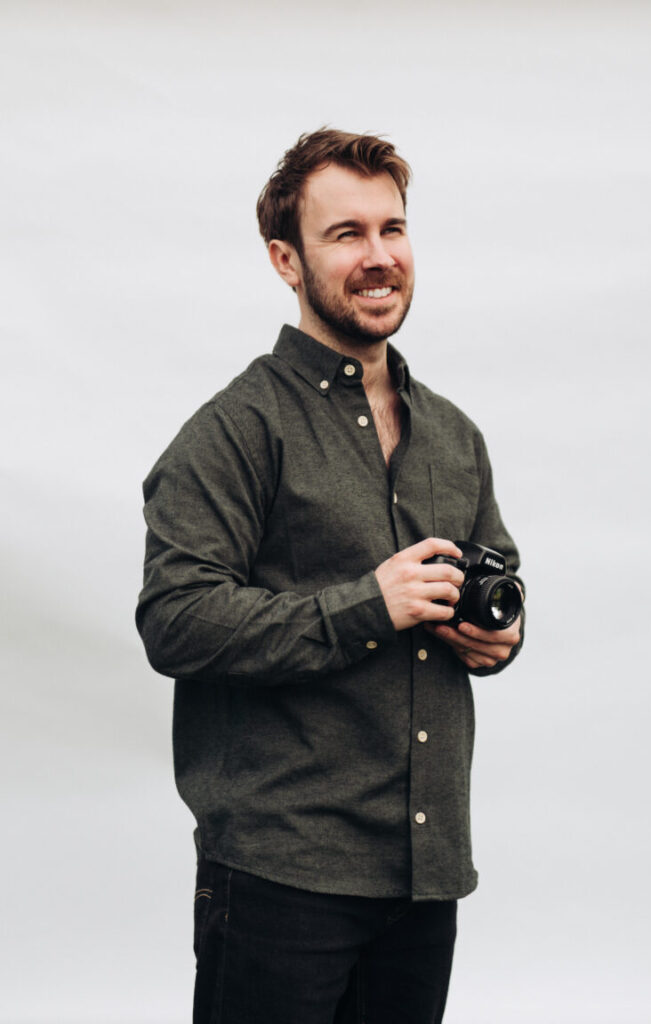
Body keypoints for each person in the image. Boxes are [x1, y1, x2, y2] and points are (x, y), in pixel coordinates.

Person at [136, 128, 525, 1024]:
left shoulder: (453, 434)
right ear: (286, 259)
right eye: (345, 234)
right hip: (280, 877)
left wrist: (497, 634)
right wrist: (369, 605)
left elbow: (498, 585)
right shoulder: (234, 430)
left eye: (392, 229)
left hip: (425, 875)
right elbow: (175, 620)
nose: (378, 256)